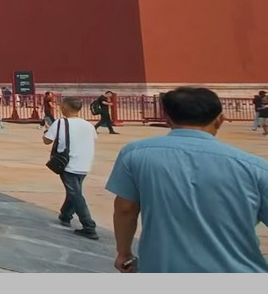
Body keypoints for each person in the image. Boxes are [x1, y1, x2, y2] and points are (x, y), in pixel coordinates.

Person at [107, 87, 268, 273]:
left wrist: (124, 253)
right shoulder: (254, 167)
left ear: (167, 119)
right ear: (220, 120)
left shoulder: (135, 154)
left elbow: (125, 209)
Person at [43, 96, 98, 240]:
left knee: (75, 194)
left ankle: (89, 226)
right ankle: (66, 214)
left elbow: (47, 140)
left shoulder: (60, 123)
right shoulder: (89, 125)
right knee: (74, 191)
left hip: (68, 164)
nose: (60, 107)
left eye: (62, 105)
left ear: (66, 107)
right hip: (85, 163)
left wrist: (46, 131)